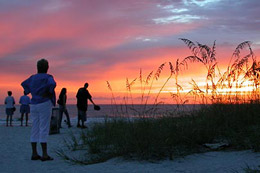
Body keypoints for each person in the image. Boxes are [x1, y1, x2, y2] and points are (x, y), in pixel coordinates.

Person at [21, 59, 56, 161]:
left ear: (37, 67)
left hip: (34, 104)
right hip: (44, 103)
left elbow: (24, 85)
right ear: (47, 67)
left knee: (35, 127)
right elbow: (52, 84)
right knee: (44, 127)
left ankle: (34, 153)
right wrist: (49, 92)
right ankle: (44, 154)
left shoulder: (32, 78)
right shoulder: (48, 77)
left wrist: (30, 91)